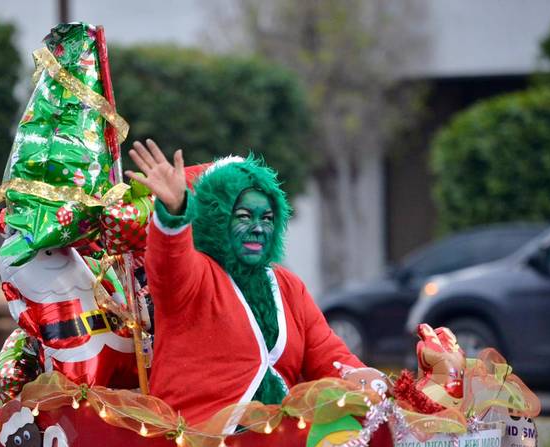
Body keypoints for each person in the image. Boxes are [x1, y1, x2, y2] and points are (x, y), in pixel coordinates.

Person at [126, 140, 386, 425]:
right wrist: (175, 213)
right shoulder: (194, 276)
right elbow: (168, 262)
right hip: (199, 446)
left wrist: (364, 381)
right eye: (244, 216)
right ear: (216, 219)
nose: (259, 228)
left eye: (268, 218)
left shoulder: (288, 287)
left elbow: (329, 355)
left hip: (279, 445)